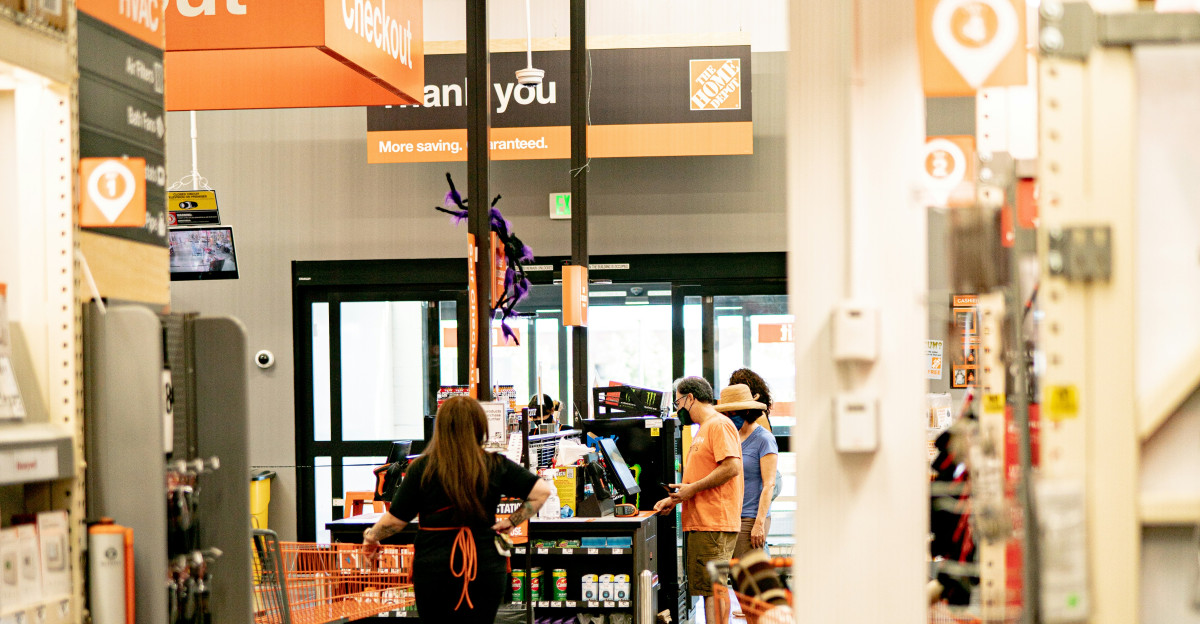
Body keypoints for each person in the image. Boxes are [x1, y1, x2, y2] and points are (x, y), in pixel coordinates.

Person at [362, 396, 553, 623]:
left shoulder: (422, 468)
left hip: (434, 569)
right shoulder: (494, 464)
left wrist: (371, 536)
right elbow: (541, 492)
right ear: (480, 426)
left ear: (441, 428)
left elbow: (395, 522)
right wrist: (512, 522)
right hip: (484, 565)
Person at [653, 377, 743, 623]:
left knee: (714, 588)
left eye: (679, 401)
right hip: (702, 522)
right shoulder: (704, 429)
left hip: (714, 522)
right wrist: (677, 498)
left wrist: (691, 490)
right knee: (708, 589)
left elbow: (732, 467)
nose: (677, 408)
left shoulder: (718, 425)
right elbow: (703, 477)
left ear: (691, 397)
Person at [714, 384, 779, 559]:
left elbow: (769, 485)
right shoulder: (731, 437)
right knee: (736, 577)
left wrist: (758, 524)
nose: (728, 418)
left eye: (732, 413)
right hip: (731, 516)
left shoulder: (764, 439)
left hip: (750, 518)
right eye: (725, 414)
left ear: (747, 412)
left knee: (748, 577)